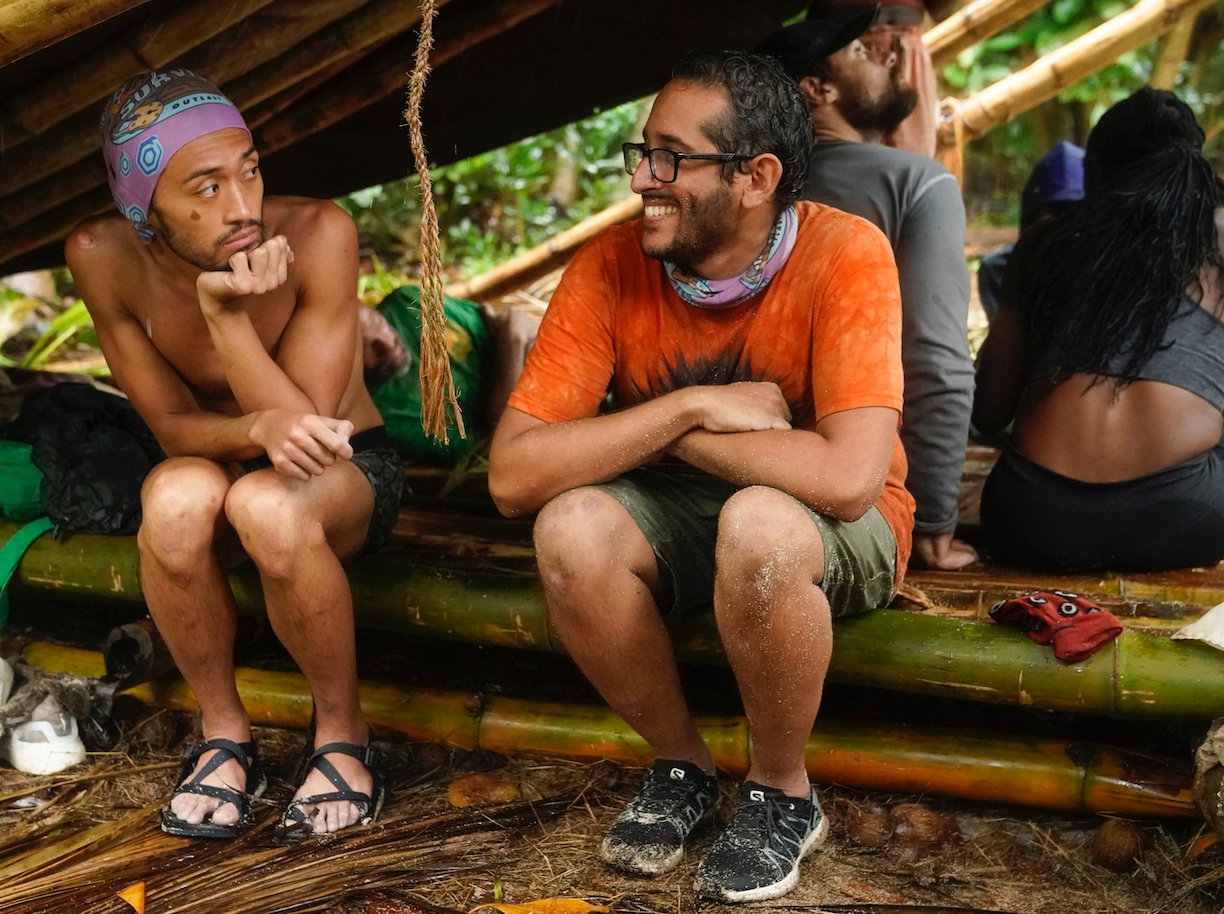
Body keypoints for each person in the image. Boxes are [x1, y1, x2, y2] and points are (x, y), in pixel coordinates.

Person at [488, 50, 913, 902]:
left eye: (671, 157)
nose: (645, 177)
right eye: (642, 151)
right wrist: (687, 413)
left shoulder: (845, 253)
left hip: (835, 531)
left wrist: (656, 437)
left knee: (759, 521)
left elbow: (847, 479)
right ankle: (681, 767)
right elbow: (512, 475)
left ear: (756, 177)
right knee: (569, 526)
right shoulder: (611, 264)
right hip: (685, 508)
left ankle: (781, 789)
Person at [66, 68, 403, 839]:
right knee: (174, 498)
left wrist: (227, 317)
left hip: (340, 470)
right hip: (221, 458)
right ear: (139, 206)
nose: (243, 208)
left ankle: (343, 739)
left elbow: (308, 435)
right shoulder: (99, 251)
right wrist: (250, 432)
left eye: (248, 169)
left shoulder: (320, 232)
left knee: (266, 502)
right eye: (205, 187)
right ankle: (224, 736)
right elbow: (174, 426)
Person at [973, 87, 1224, 571]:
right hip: (1189, 517)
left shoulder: (1044, 243)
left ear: (1095, 172)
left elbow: (989, 409)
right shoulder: (1217, 242)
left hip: (1032, 519)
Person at [764, 12, 976, 570]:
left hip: (745, 469)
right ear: (818, 90)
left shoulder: (747, 188)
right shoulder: (916, 183)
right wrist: (932, 521)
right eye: (859, 52)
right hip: (860, 489)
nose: (884, 58)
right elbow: (935, 359)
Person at [359, 285, 537, 464]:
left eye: (383, 324)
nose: (389, 344)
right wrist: (513, 342)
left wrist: (510, 345)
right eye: (373, 348)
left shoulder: (407, 304)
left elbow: (510, 326)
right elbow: (495, 446)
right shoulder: (384, 420)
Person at [805, 0, 953, 156]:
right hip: (839, 53)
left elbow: (941, 10)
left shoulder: (897, 57)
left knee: (912, 153)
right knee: (836, 156)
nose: (891, 57)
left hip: (906, 46)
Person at [977, 140, 1085, 322]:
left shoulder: (1114, 271)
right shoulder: (1000, 271)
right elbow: (1006, 346)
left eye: (1073, 215)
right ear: (1031, 220)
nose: (1064, 229)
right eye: (1055, 214)